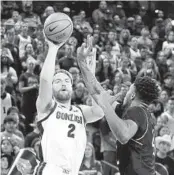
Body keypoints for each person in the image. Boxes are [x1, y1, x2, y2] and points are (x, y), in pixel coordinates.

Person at [77, 36, 160, 175]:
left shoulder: (137, 111)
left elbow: (123, 135)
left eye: (129, 90)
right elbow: (97, 91)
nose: (125, 93)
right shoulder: (135, 112)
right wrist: (82, 63)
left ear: (133, 95)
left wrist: (106, 106)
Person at [34, 36, 104, 175]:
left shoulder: (80, 111)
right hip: (51, 170)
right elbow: (45, 80)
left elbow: (99, 111)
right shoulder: (48, 107)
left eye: (67, 80)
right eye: (58, 81)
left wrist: (90, 74)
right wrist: (53, 48)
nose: (63, 83)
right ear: (52, 88)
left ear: (72, 88)